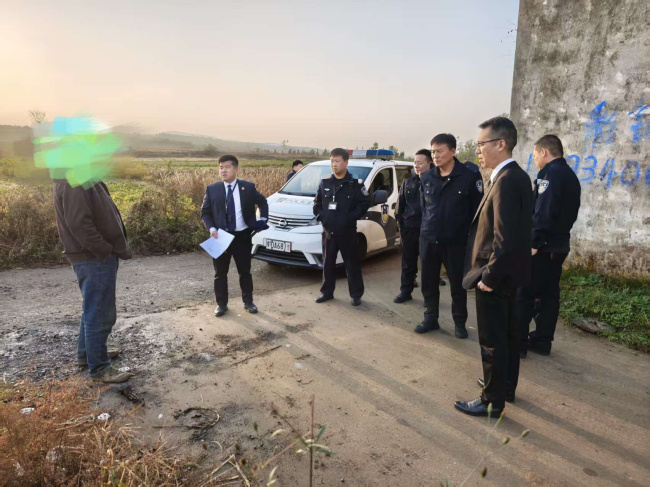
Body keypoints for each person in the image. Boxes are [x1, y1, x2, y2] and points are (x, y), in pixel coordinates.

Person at [455, 116, 533, 416]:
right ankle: (503, 387)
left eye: (481, 144)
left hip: (495, 276)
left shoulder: (507, 180)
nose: (477, 151)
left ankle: (491, 400)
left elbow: (506, 237)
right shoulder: (514, 176)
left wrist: (489, 275)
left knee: (492, 340)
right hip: (509, 274)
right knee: (508, 336)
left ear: (500, 144)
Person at [53, 178, 134, 383]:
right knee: (100, 312)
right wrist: (104, 250)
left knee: (93, 307)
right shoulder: (74, 180)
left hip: (94, 256)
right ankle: (99, 367)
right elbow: (80, 224)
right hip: (94, 257)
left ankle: (87, 354)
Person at [517, 135, 581, 356]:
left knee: (525, 293)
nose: (534, 159)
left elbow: (544, 211)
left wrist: (535, 242)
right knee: (548, 295)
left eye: (535, 154)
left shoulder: (550, 174)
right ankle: (543, 341)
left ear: (544, 152)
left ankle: (518, 344)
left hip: (543, 247)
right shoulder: (569, 175)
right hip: (558, 246)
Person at [415, 134, 483, 338]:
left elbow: (476, 213)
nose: (435, 155)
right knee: (428, 281)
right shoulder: (427, 177)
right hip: (429, 240)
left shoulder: (469, 177)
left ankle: (459, 322)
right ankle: (431, 317)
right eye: (433, 151)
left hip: (456, 242)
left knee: (457, 284)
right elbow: (424, 208)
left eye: (440, 151)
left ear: (453, 151)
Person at [201, 155, 269, 317]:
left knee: (245, 272)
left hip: (242, 236)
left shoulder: (248, 188)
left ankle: (248, 302)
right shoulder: (212, 189)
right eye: (220, 167)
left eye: (227, 167)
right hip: (220, 236)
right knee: (220, 273)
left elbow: (263, 202)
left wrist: (263, 219)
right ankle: (221, 305)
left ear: (236, 169)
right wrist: (211, 228)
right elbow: (205, 212)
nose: (223, 171)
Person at [313, 148, 371, 306]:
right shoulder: (325, 182)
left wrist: (349, 218)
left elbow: (364, 204)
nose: (334, 164)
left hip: (347, 232)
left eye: (337, 161)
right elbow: (317, 204)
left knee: (352, 265)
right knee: (328, 264)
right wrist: (323, 218)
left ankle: (356, 295)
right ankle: (327, 292)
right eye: (332, 161)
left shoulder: (355, 184)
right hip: (328, 232)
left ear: (346, 162)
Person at [394, 149, 433, 303]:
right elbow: (400, 207)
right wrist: (402, 228)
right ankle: (405, 291)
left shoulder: (436, 182)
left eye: (420, 163)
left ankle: (429, 298)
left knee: (428, 266)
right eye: (415, 162)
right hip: (409, 230)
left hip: (428, 232)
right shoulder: (408, 182)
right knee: (408, 263)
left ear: (429, 163)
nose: (416, 165)